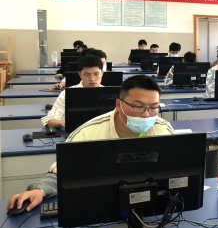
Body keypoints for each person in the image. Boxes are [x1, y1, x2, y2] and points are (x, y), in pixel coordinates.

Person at [7, 75, 175, 213]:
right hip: (102, 209)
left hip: (152, 208)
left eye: (154, 107)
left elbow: (177, 169)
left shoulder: (163, 129)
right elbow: (60, 172)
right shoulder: (88, 132)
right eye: (138, 107)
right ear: (118, 105)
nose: (146, 115)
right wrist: (39, 190)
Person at [42, 55, 105, 129]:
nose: (92, 79)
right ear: (80, 74)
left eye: (96, 74)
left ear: (102, 73)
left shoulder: (111, 94)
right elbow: (49, 120)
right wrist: (63, 123)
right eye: (87, 75)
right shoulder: (67, 93)